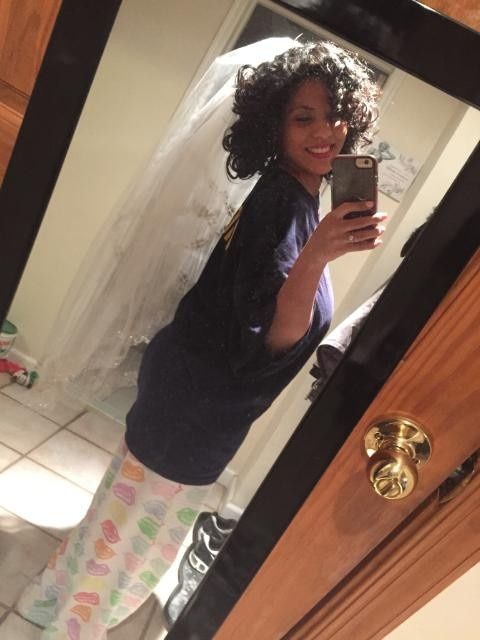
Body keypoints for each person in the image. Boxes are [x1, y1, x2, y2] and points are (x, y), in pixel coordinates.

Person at [18, 40, 384, 638]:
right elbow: (266, 339)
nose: (326, 131)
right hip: (194, 408)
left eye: (336, 113)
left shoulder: (292, 196)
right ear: (274, 125)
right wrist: (318, 256)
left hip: (190, 396)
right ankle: (67, 627)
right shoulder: (281, 204)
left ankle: (49, 603)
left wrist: (317, 250)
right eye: (304, 118)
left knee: (118, 520)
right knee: (132, 542)